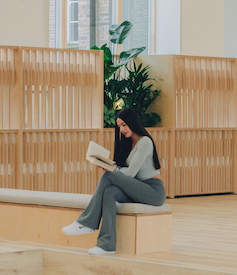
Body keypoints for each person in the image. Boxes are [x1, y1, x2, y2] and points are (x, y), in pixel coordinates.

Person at [62, 109, 166, 255]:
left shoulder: (145, 142)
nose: (122, 129)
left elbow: (130, 173)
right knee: (110, 192)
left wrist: (112, 169)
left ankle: (86, 223)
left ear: (132, 122)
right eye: (119, 126)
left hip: (153, 191)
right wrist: (110, 166)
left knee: (108, 176)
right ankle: (106, 245)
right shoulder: (129, 143)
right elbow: (126, 173)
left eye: (124, 125)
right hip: (138, 188)